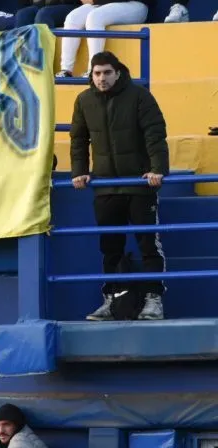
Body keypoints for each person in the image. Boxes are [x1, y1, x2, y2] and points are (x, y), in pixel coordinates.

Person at [71, 51, 168, 321]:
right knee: (109, 248)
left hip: (139, 185)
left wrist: (157, 169)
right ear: (91, 75)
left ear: (118, 72)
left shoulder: (139, 96)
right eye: (97, 73)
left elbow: (155, 133)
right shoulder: (83, 100)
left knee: (149, 245)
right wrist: (80, 172)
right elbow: (78, 140)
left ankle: (153, 300)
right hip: (105, 187)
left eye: (107, 73)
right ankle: (111, 302)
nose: (102, 78)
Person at [56, 0, 150, 78]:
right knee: (72, 18)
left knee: (95, 17)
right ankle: (66, 69)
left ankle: (94, 69)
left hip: (135, 3)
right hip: (104, 1)